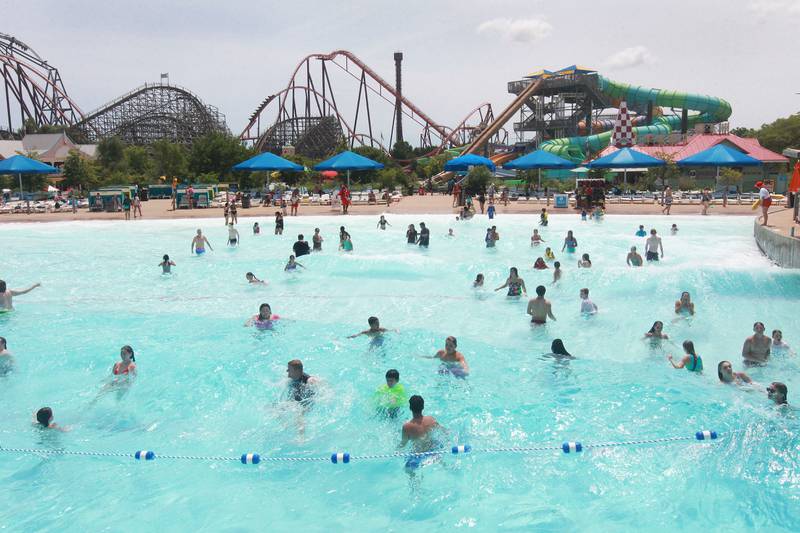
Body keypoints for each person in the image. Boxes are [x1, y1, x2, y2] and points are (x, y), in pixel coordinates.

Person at [399, 395, 441, 471]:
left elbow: (403, 444)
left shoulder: (407, 427)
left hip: (418, 454)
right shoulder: (431, 420)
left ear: (410, 408)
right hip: (433, 449)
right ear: (423, 407)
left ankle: (414, 481)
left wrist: (396, 449)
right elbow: (444, 431)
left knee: (407, 469)